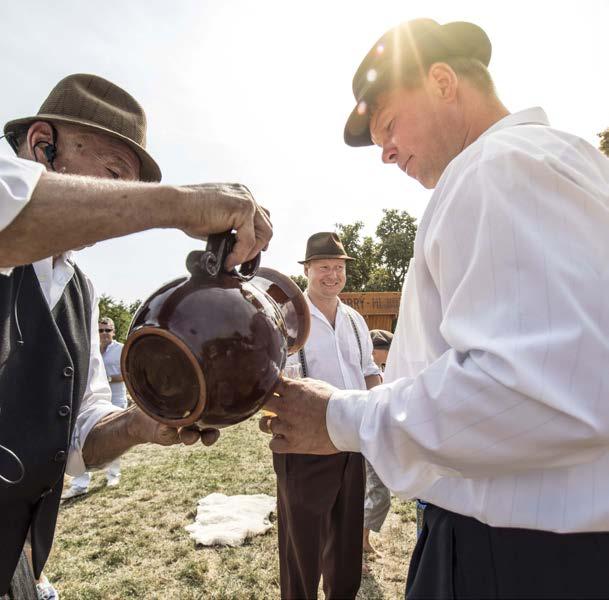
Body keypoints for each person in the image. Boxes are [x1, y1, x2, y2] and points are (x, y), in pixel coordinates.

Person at [263, 18, 609, 599]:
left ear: (444, 81)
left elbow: (533, 388)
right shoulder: (572, 163)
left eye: (391, 125)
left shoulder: (494, 168)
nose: (387, 153)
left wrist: (340, 419)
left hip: (512, 556)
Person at [0, 73, 272, 597]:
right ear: (41, 146)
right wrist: (178, 206)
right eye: (111, 177)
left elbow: (77, 435)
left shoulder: (78, 289)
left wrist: (141, 425)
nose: (121, 201)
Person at [261, 232, 381, 599]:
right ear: (307, 270)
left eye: (339, 267)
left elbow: (369, 371)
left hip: (352, 439)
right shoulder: (286, 318)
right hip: (304, 443)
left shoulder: (355, 319)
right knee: (302, 548)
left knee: (346, 544)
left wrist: (379, 415)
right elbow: (269, 376)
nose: (333, 274)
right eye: (324, 267)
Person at [62, 317, 128, 499]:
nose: (104, 334)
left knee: (116, 438)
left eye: (107, 330)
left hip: (115, 399)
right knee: (79, 440)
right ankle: (79, 484)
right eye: (100, 330)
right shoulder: (88, 349)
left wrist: (106, 379)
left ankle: (113, 476)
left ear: (113, 331)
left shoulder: (121, 349)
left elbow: (127, 373)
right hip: (88, 402)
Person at [362, 329, 393, 556]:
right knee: (379, 494)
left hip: (377, 438)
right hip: (368, 438)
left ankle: (361, 540)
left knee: (377, 493)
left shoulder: (379, 370)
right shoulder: (365, 371)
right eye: (388, 351)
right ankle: (360, 542)